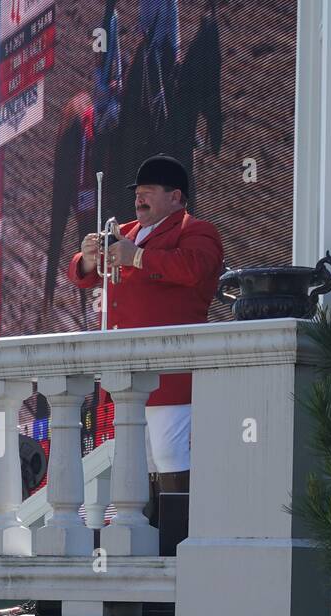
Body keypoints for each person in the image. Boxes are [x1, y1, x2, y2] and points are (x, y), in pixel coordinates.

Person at [66, 154, 223, 525]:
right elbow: (82, 273)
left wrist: (138, 257)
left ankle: (175, 537)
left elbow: (194, 267)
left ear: (176, 197)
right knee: (140, 457)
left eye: (149, 192)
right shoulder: (128, 230)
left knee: (170, 452)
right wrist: (89, 258)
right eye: (138, 193)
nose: (140, 199)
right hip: (129, 368)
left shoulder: (197, 230)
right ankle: (149, 534)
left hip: (172, 369)